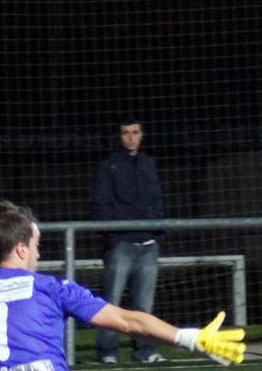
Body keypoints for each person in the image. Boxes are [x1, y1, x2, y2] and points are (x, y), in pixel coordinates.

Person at [0, 200, 245, 371]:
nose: (38, 252)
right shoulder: (50, 288)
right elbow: (129, 321)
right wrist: (191, 337)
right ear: (20, 248)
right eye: (37, 245)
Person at [91, 118, 167, 363]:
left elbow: (156, 199)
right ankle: (108, 352)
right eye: (126, 133)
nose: (131, 137)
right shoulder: (109, 165)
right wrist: (114, 237)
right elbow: (101, 204)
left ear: (142, 134)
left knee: (143, 304)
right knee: (111, 303)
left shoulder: (148, 163)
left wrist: (155, 233)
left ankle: (144, 351)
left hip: (147, 244)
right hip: (121, 244)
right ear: (120, 136)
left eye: (135, 132)